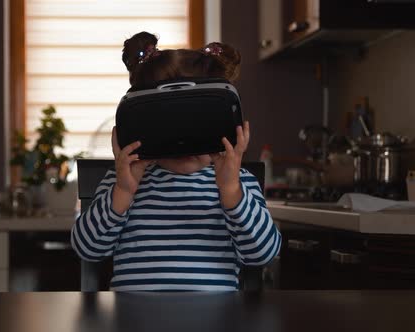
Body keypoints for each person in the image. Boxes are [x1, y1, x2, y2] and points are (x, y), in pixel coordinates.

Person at [71, 32, 281, 291]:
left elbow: (263, 254)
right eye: (169, 122)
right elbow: (87, 249)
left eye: (198, 120)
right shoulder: (122, 181)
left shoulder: (238, 183)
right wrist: (123, 193)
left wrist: (231, 191)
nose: (184, 138)